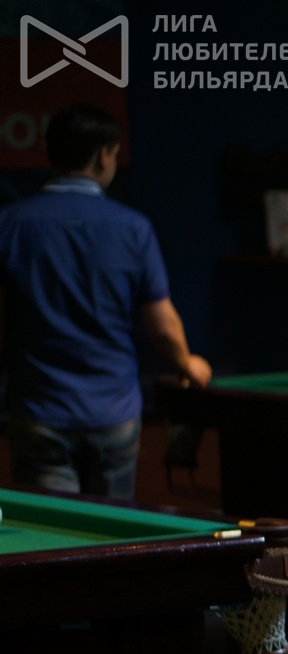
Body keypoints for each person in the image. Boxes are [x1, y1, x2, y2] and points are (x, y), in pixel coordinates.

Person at [0, 103, 209, 500]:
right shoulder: (133, 228)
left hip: (39, 412)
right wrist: (188, 363)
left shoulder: (9, 224)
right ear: (102, 156)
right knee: (111, 528)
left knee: (55, 532)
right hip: (113, 415)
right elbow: (163, 327)